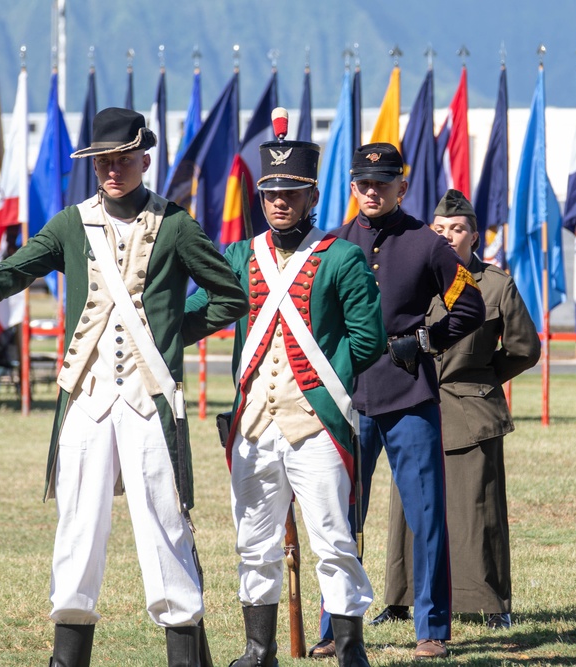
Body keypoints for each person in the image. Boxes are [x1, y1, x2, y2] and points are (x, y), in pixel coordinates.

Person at [0, 107, 248, 667]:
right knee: (78, 531)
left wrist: (166, 335)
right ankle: (67, 658)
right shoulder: (71, 224)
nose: (112, 169)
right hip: (85, 398)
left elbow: (230, 296)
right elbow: (10, 273)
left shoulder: (178, 225)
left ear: (144, 157)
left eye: (122, 159)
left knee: (163, 528)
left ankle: (184, 653)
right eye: (102, 161)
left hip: (149, 398)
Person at [186, 111, 385, 667]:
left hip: (316, 420)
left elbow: (367, 340)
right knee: (254, 541)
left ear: (311, 195)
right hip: (253, 422)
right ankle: (258, 649)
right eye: (271, 192)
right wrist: (159, 323)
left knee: (333, 539)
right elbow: (209, 310)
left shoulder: (339, 256)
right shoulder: (240, 256)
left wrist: (326, 392)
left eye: (291, 193)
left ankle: (350, 649)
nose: (279, 202)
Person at [320, 146, 486, 661]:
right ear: (352, 188)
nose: (373, 191)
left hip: (409, 393)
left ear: (401, 188)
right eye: (364, 183)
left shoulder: (426, 243)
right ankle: (335, 625)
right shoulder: (332, 244)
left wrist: (429, 341)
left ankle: (431, 628)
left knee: (427, 514)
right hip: (348, 397)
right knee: (340, 514)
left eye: (383, 182)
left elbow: (471, 306)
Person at [374, 189, 540, 630]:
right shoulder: (416, 277)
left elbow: (525, 349)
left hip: (472, 414)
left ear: (474, 235)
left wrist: (483, 380)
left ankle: (489, 604)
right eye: (440, 229)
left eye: (458, 229)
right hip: (412, 403)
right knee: (410, 512)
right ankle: (399, 600)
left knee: (477, 513)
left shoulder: (497, 285)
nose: (448, 236)